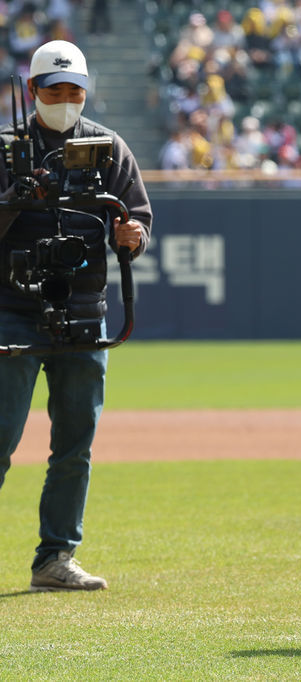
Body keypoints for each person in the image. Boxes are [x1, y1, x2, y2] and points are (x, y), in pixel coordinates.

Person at [0, 40, 152, 592]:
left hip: (85, 312)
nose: (65, 100)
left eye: (74, 91)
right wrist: (17, 196)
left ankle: (55, 557)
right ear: (33, 91)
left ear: (86, 92)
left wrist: (132, 235)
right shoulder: (5, 149)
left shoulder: (109, 148)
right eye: (54, 90)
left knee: (74, 447)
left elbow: (135, 220)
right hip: (12, 311)